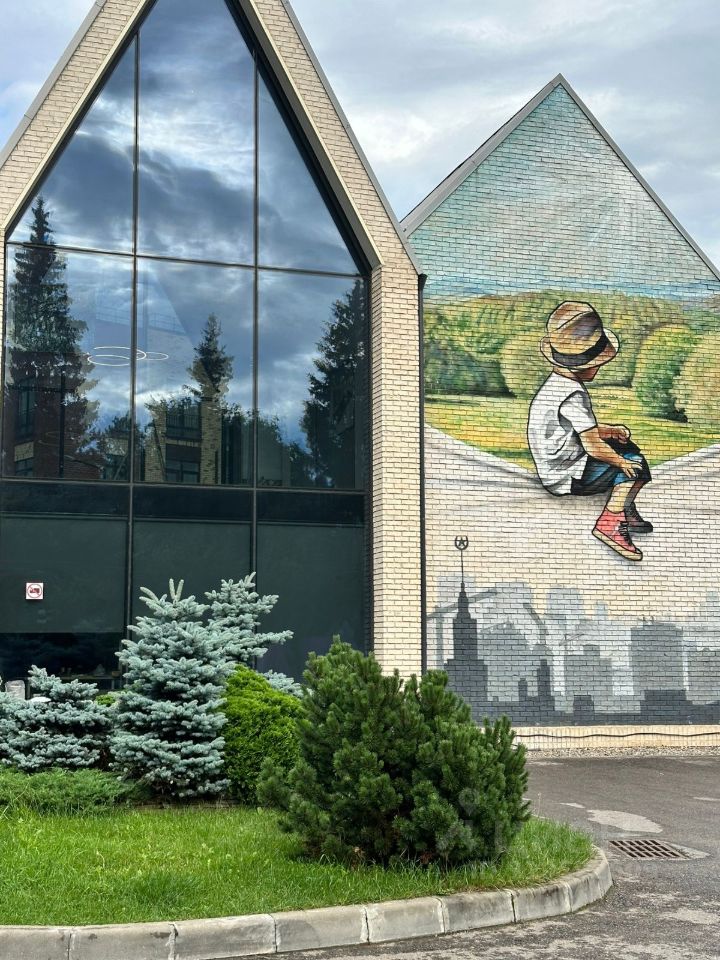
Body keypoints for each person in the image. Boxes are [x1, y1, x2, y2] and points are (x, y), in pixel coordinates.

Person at [527, 300, 652, 562]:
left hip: (556, 464)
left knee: (625, 447)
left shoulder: (555, 385)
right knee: (635, 464)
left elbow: (572, 429)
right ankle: (611, 521)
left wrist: (608, 431)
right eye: (598, 363)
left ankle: (624, 507)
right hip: (566, 475)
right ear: (586, 365)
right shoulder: (574, 395)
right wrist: (621, 463)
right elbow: (593, 446)